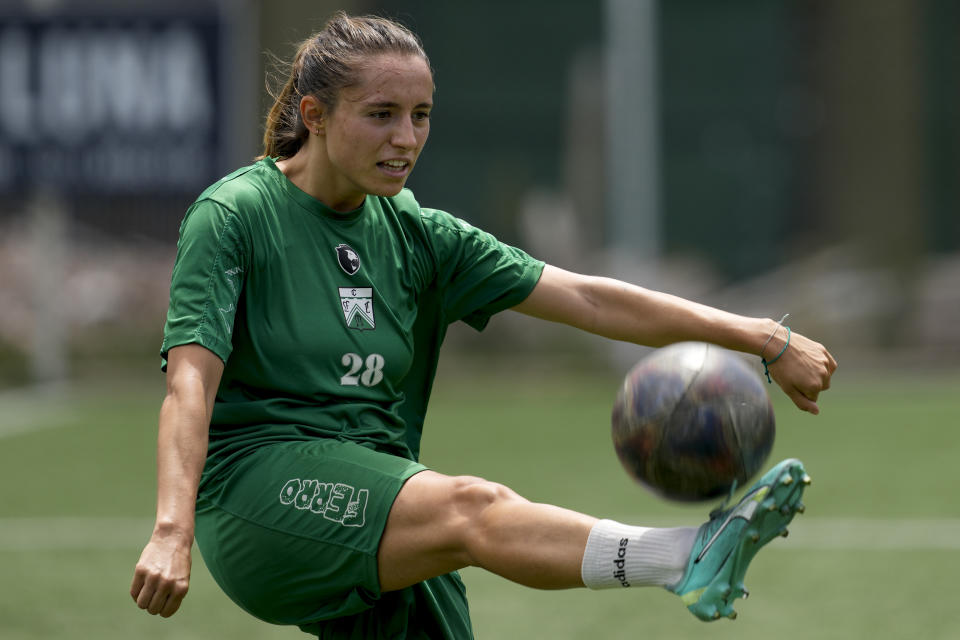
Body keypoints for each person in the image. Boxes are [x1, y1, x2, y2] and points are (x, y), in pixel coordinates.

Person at [130, 12, 837, 638]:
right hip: (258, 498)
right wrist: (170, 530)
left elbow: (590, 300)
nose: (406, 138)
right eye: (381, 114)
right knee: (473, 507)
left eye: (421, 115)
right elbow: (189, 386)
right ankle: (684, 558)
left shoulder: (419, 234)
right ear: (314, 114)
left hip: (382, 494)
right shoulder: (235, 216)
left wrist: (760, 336)